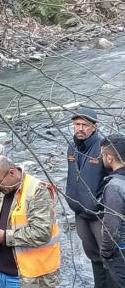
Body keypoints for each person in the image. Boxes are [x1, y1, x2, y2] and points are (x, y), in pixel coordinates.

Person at [0, 155, 61, 288]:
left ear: (12, 172)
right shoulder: (1, 189)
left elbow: (41, 232)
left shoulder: (37, 190)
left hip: (30, 276)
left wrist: (4, 237)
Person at [64, 107, 113, 287]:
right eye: (77, 124)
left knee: (107, 255)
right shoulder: (71, 147)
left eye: (85, 124)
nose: (80, 128)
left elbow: (115, 179)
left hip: (99, 214)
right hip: (79, 212)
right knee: (92, 254)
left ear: (95, 127)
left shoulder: (103, 148)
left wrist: (102, 204)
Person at [98, 134, 125, 286]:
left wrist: (105, 253)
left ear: (109, 158)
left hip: (121, 251)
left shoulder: (114, 187)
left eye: (102, 155)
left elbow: (111, 228)